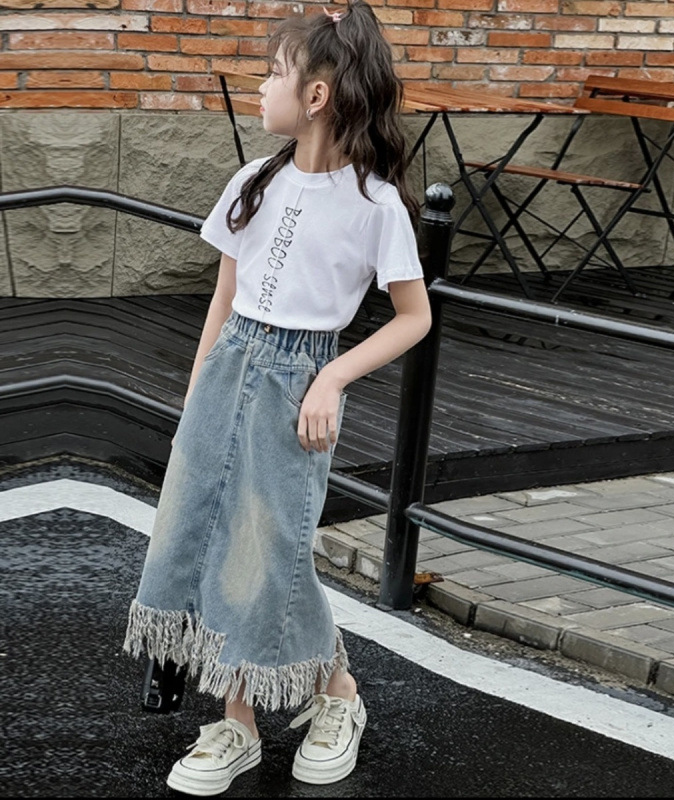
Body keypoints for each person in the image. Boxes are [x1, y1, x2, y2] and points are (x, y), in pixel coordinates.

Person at [122, 1, 431, 795]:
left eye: (274, 73)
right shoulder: (253, 182)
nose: (260, 86)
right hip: (229, 369)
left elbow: (414, 317)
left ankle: (325, 699)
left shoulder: (374, 204)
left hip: (297, 384)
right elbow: (223, 302)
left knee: (266, 554)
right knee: (198, 538)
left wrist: (332, 377)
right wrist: (196, 398)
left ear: (317, 96)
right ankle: (249, 721)